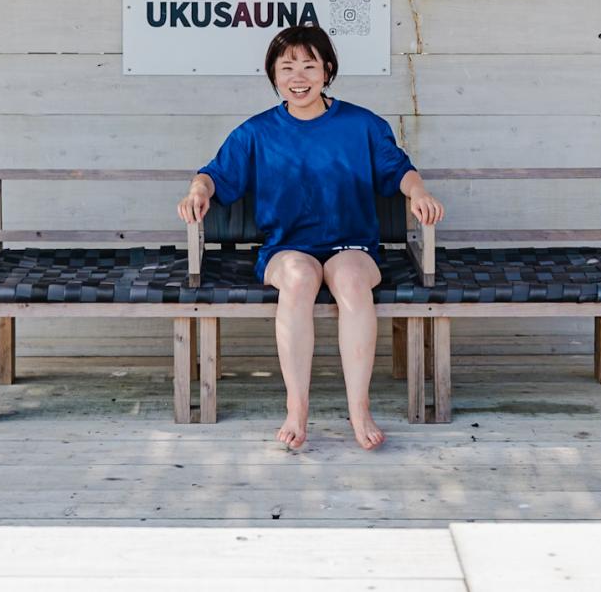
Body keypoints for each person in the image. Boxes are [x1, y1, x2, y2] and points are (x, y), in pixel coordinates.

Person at [179, 24, 444, 451]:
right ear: (274, 75)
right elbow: (215, 175)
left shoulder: (362, 124)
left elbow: (398, 170)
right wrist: (198, 192)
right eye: (286, 67)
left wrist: (419, 192)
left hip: (351, 243)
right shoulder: (257, 132)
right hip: (286, 247)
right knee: (300, 278)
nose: (297, 76)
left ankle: (359, 409)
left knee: (353, 281)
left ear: (327, 70)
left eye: (308, 65)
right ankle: (297, 408)